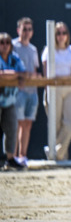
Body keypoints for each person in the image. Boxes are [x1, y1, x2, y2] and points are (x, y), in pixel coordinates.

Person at [41, 22, 71, 161]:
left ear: (67, 35)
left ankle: (55, 151)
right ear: (54, 35)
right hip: (53, 88)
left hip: (69, 88)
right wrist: (47, 91)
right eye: (58, 33)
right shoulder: (48, 50)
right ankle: (60, 157)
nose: (61, 36)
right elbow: (45, 74)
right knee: (55, 124)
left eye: (64, 33)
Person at [12, 18, 40, 166]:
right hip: (17, 92)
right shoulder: (12, 46)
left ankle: (23, 156)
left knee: (27, 124)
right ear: (18, 30)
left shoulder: (33, 49)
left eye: (29, 29)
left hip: (32, 92)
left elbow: (34, 71)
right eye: (24, 29)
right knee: (16, 124)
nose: (27, 32)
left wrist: (31, 76)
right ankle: (12, 157)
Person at [1, 33, 27, 170]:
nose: (4, 45)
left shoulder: (14, 58)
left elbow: (23, 72)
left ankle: (10, 159)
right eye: (2, 43)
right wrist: (14, 74)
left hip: (9, 100)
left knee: (11, 129)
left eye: (7, 43)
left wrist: (10, 74)